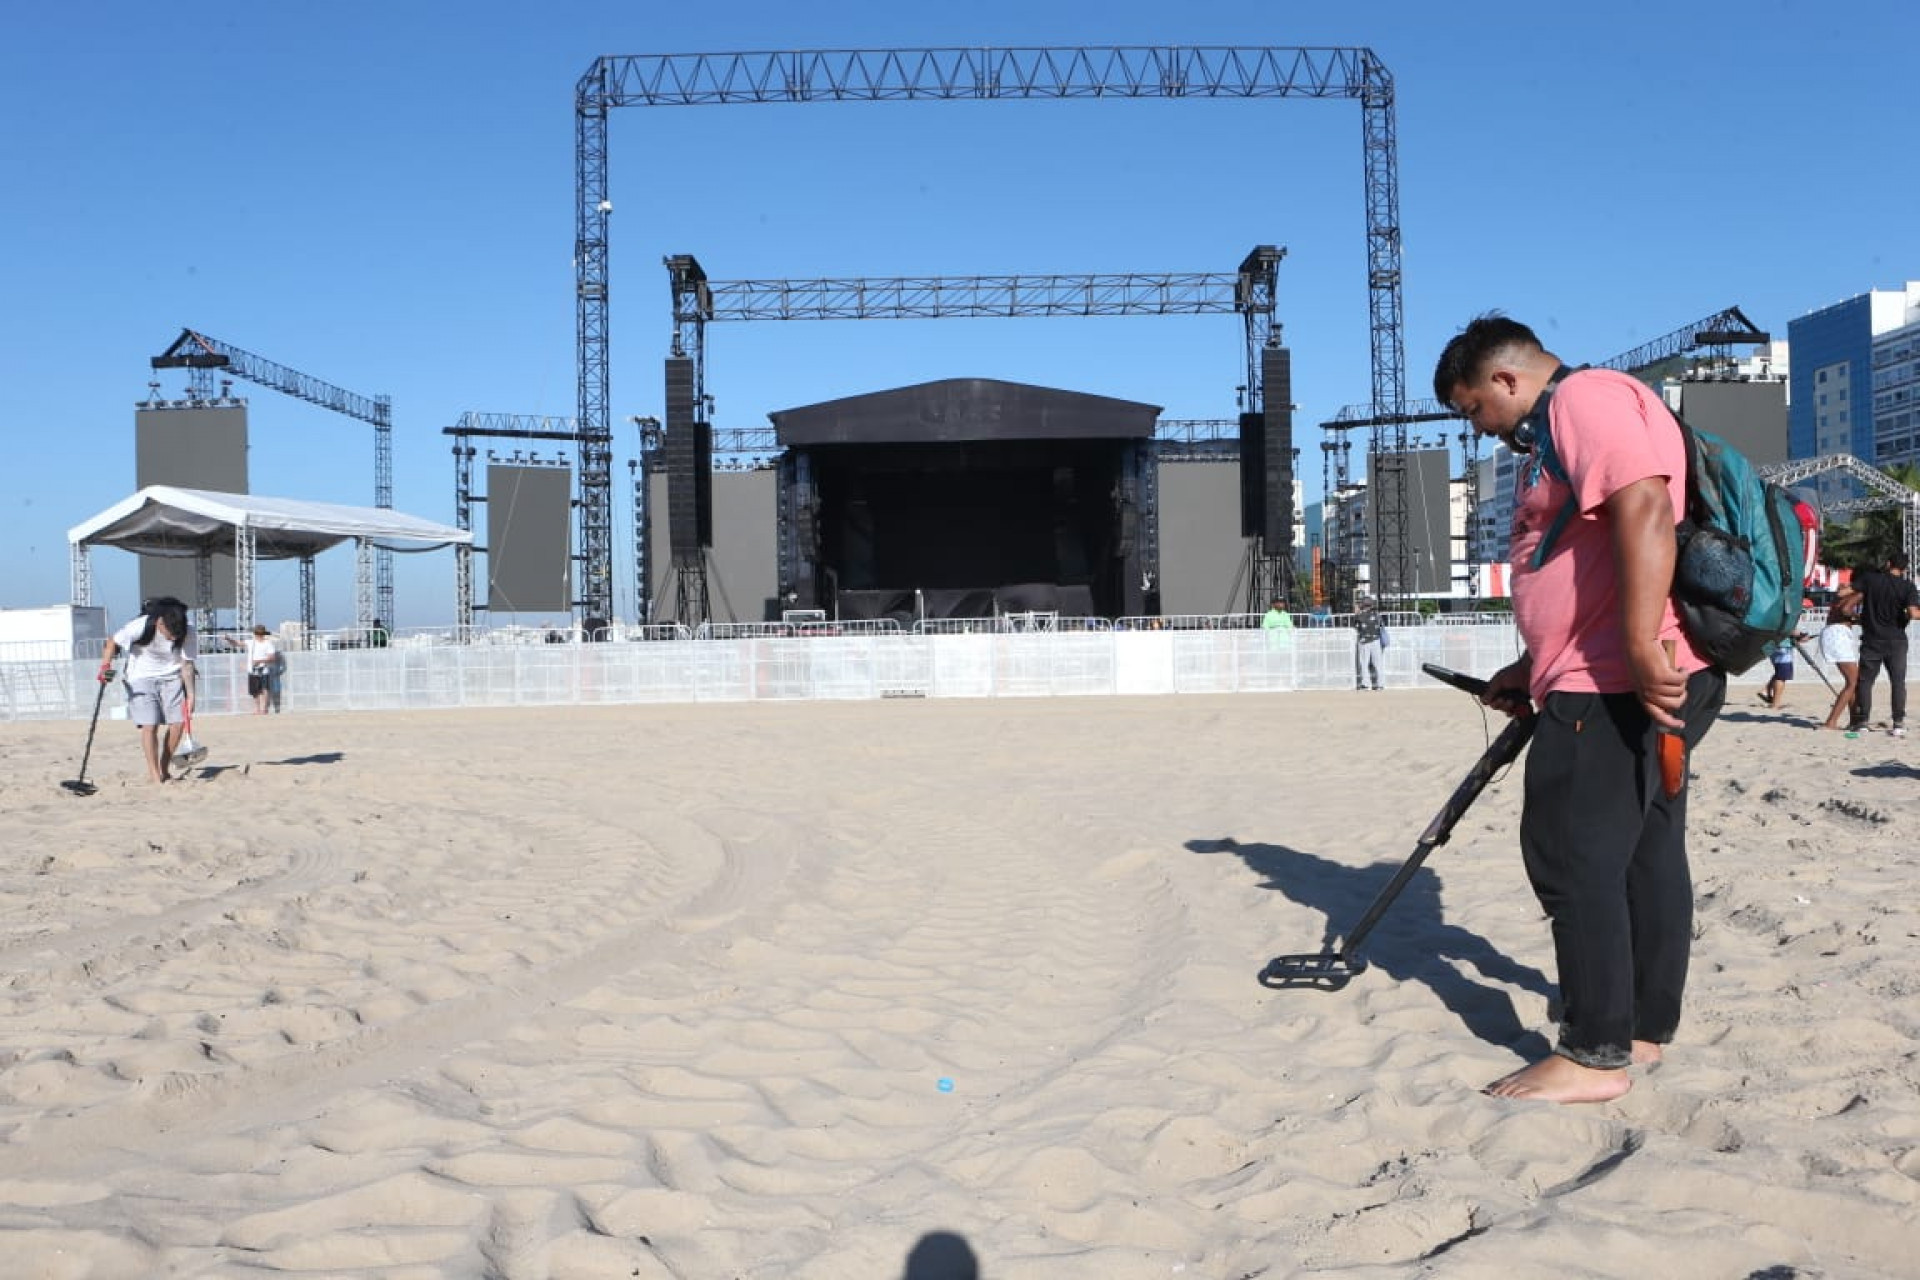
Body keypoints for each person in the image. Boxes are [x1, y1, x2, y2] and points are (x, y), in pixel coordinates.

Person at [1434, 313, 1726, 1105]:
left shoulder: (1583, 400)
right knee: (1641, 852)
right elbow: (1589, 559)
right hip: (1622, 666)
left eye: (1473, 411)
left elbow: (1644, 509)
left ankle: (1595, 1053)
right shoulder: (1586, 413)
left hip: (1616, 678)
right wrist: (1532, 663)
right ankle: (1640, 1030)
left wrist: (1633, 645)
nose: (1482, 430)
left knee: (1570, 854)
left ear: (1506, 380)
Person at [99, 596, 199, 784]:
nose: (173, 639)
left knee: (178, 723)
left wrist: (192, 695)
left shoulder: (188, 630)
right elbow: (113, 642)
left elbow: (187, 664)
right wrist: (105, 667)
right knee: (149, 725)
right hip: (140, 676)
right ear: (160, 623)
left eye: (177, 636)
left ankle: (164, 767)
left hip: (172, 676)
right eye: (170, 635)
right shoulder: (140, 626)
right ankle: (154, 775)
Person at [1847, 551, 1920, 737]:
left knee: (1865, 681)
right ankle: (1898, 723)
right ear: (1904, 569)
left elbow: (1847, 592)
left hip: (1871, 639)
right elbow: (1913, 614)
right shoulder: (1908, 587)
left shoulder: (1871, 580)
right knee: (1897, 682)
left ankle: (1863, 721)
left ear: (1888, 564)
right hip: (1896, 640)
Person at [1819, 588, 1864, 731]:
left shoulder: (1845, 591)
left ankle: (1854, 721)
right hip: (1839, 634)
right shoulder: (1860, 592)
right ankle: (1831, 722)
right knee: (1853, 682)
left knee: (1852, 682)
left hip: (1833, 632)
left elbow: (1841, 611)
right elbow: (1845, 610)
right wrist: (1860, 618)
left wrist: (1854, 620)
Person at [245, 623, 284, 714]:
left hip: (264, 670)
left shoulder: (268, 643)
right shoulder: (251, 642)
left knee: (265, 689)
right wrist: (229, 639)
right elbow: (237, 643)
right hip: (253, 670)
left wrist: (259, 661)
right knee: (255, 691)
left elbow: (272, 657)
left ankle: (264, 709)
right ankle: (258, 709)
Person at [1352, 595, 1384, 690]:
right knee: (1378, 663)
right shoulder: (1377, 615)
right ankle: (1380, 684)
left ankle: (1366, 684)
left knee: (1364, 663)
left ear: (1363, 605)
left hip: (1364, 641)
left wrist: (1356, 613)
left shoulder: (1360, 616)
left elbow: (1356, 626)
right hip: (1376, 640)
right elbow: (1381, 625)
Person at [1759, 636, 1794, 710]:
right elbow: (1789, 628)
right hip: (1781, 645)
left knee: (1780, 672)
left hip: (1770, 644)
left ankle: (1766, 690)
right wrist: (1799, 635)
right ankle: (1775, 705)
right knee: (1782, 676)